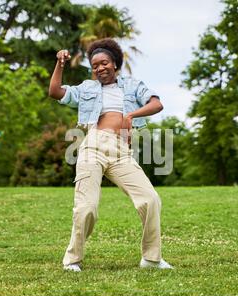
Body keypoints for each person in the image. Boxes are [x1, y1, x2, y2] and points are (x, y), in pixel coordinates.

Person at [48, 38, 173, 272]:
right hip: (92, 145)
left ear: (114, 63)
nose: (99, 68)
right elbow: (55, 92)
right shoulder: (87, 88)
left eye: (104, 63)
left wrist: (131, 116)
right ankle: (72, 260)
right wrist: (60, 64)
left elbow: (156, 104)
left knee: (150, 199)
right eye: (95, 66)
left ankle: (151, 259)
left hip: (121, 151)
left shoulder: (133, 85)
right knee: (86, 208)